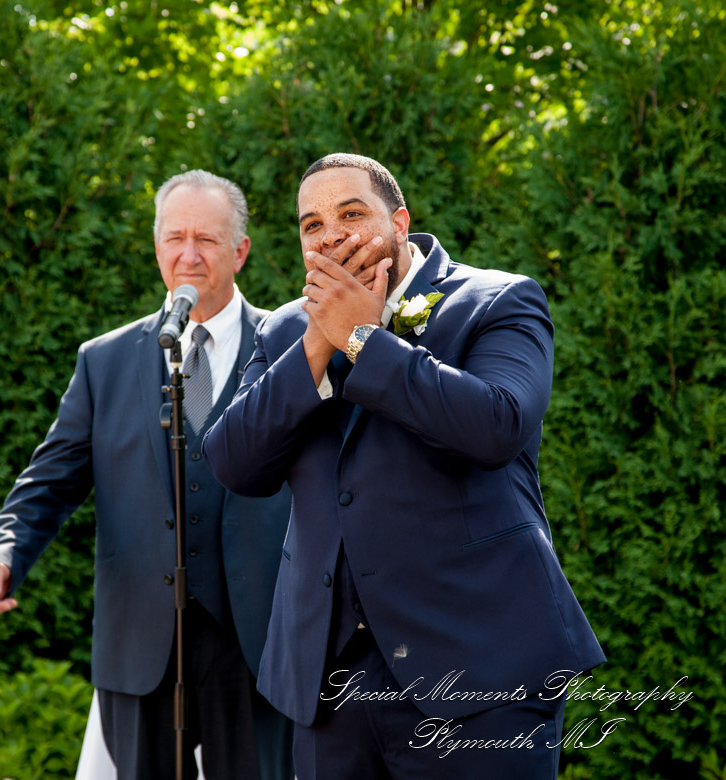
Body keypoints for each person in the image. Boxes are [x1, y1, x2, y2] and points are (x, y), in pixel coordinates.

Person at [203, 153, 606, 778]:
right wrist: (319, 340)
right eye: (311, 224)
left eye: (351, 213)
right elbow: (233, 462)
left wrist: (364, 340)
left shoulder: (496, 301)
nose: (330, 233)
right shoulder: (285, 333)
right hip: (329, 684)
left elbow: (496, 425)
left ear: (400, 221)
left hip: (480, 669)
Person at [0, 170, 294, 780]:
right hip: (140, 641)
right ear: (156, 246)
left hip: (256, 642)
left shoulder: (288, 349)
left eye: (207, 239)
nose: (188, 255)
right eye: (175, 238)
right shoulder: (104, 360)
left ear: (241, 250)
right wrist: (6, 547)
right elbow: (52, 477)